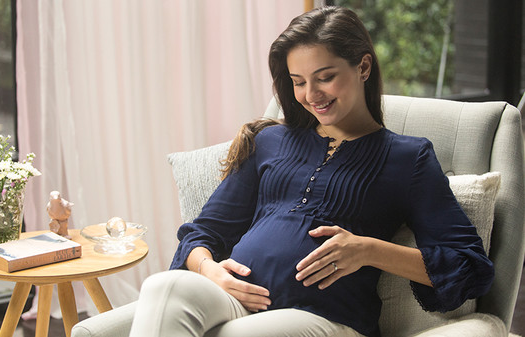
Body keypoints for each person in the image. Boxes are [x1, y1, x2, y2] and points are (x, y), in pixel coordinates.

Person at [129, 6, 494, 337]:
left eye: (324, 77)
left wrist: (366, 250)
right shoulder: (270, 141)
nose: (310, 94)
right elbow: (201, 234)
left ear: (363, 67)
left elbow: (470, 266)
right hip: (238, 299)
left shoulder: (408, 158)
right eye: (298, 81)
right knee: (163, 287)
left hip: (325, 317)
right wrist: (212, 273)